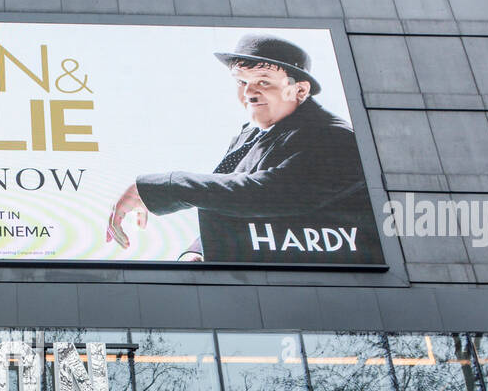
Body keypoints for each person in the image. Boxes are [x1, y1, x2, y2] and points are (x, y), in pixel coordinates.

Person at [106, 33, 370, 261]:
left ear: (300, 90)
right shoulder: (252, 134)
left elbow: (266, 194)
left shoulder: (334, 137)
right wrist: (198, 252)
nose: (248, 93)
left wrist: (166, 186)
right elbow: (227, 200)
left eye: (263, 81)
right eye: (241, 82)